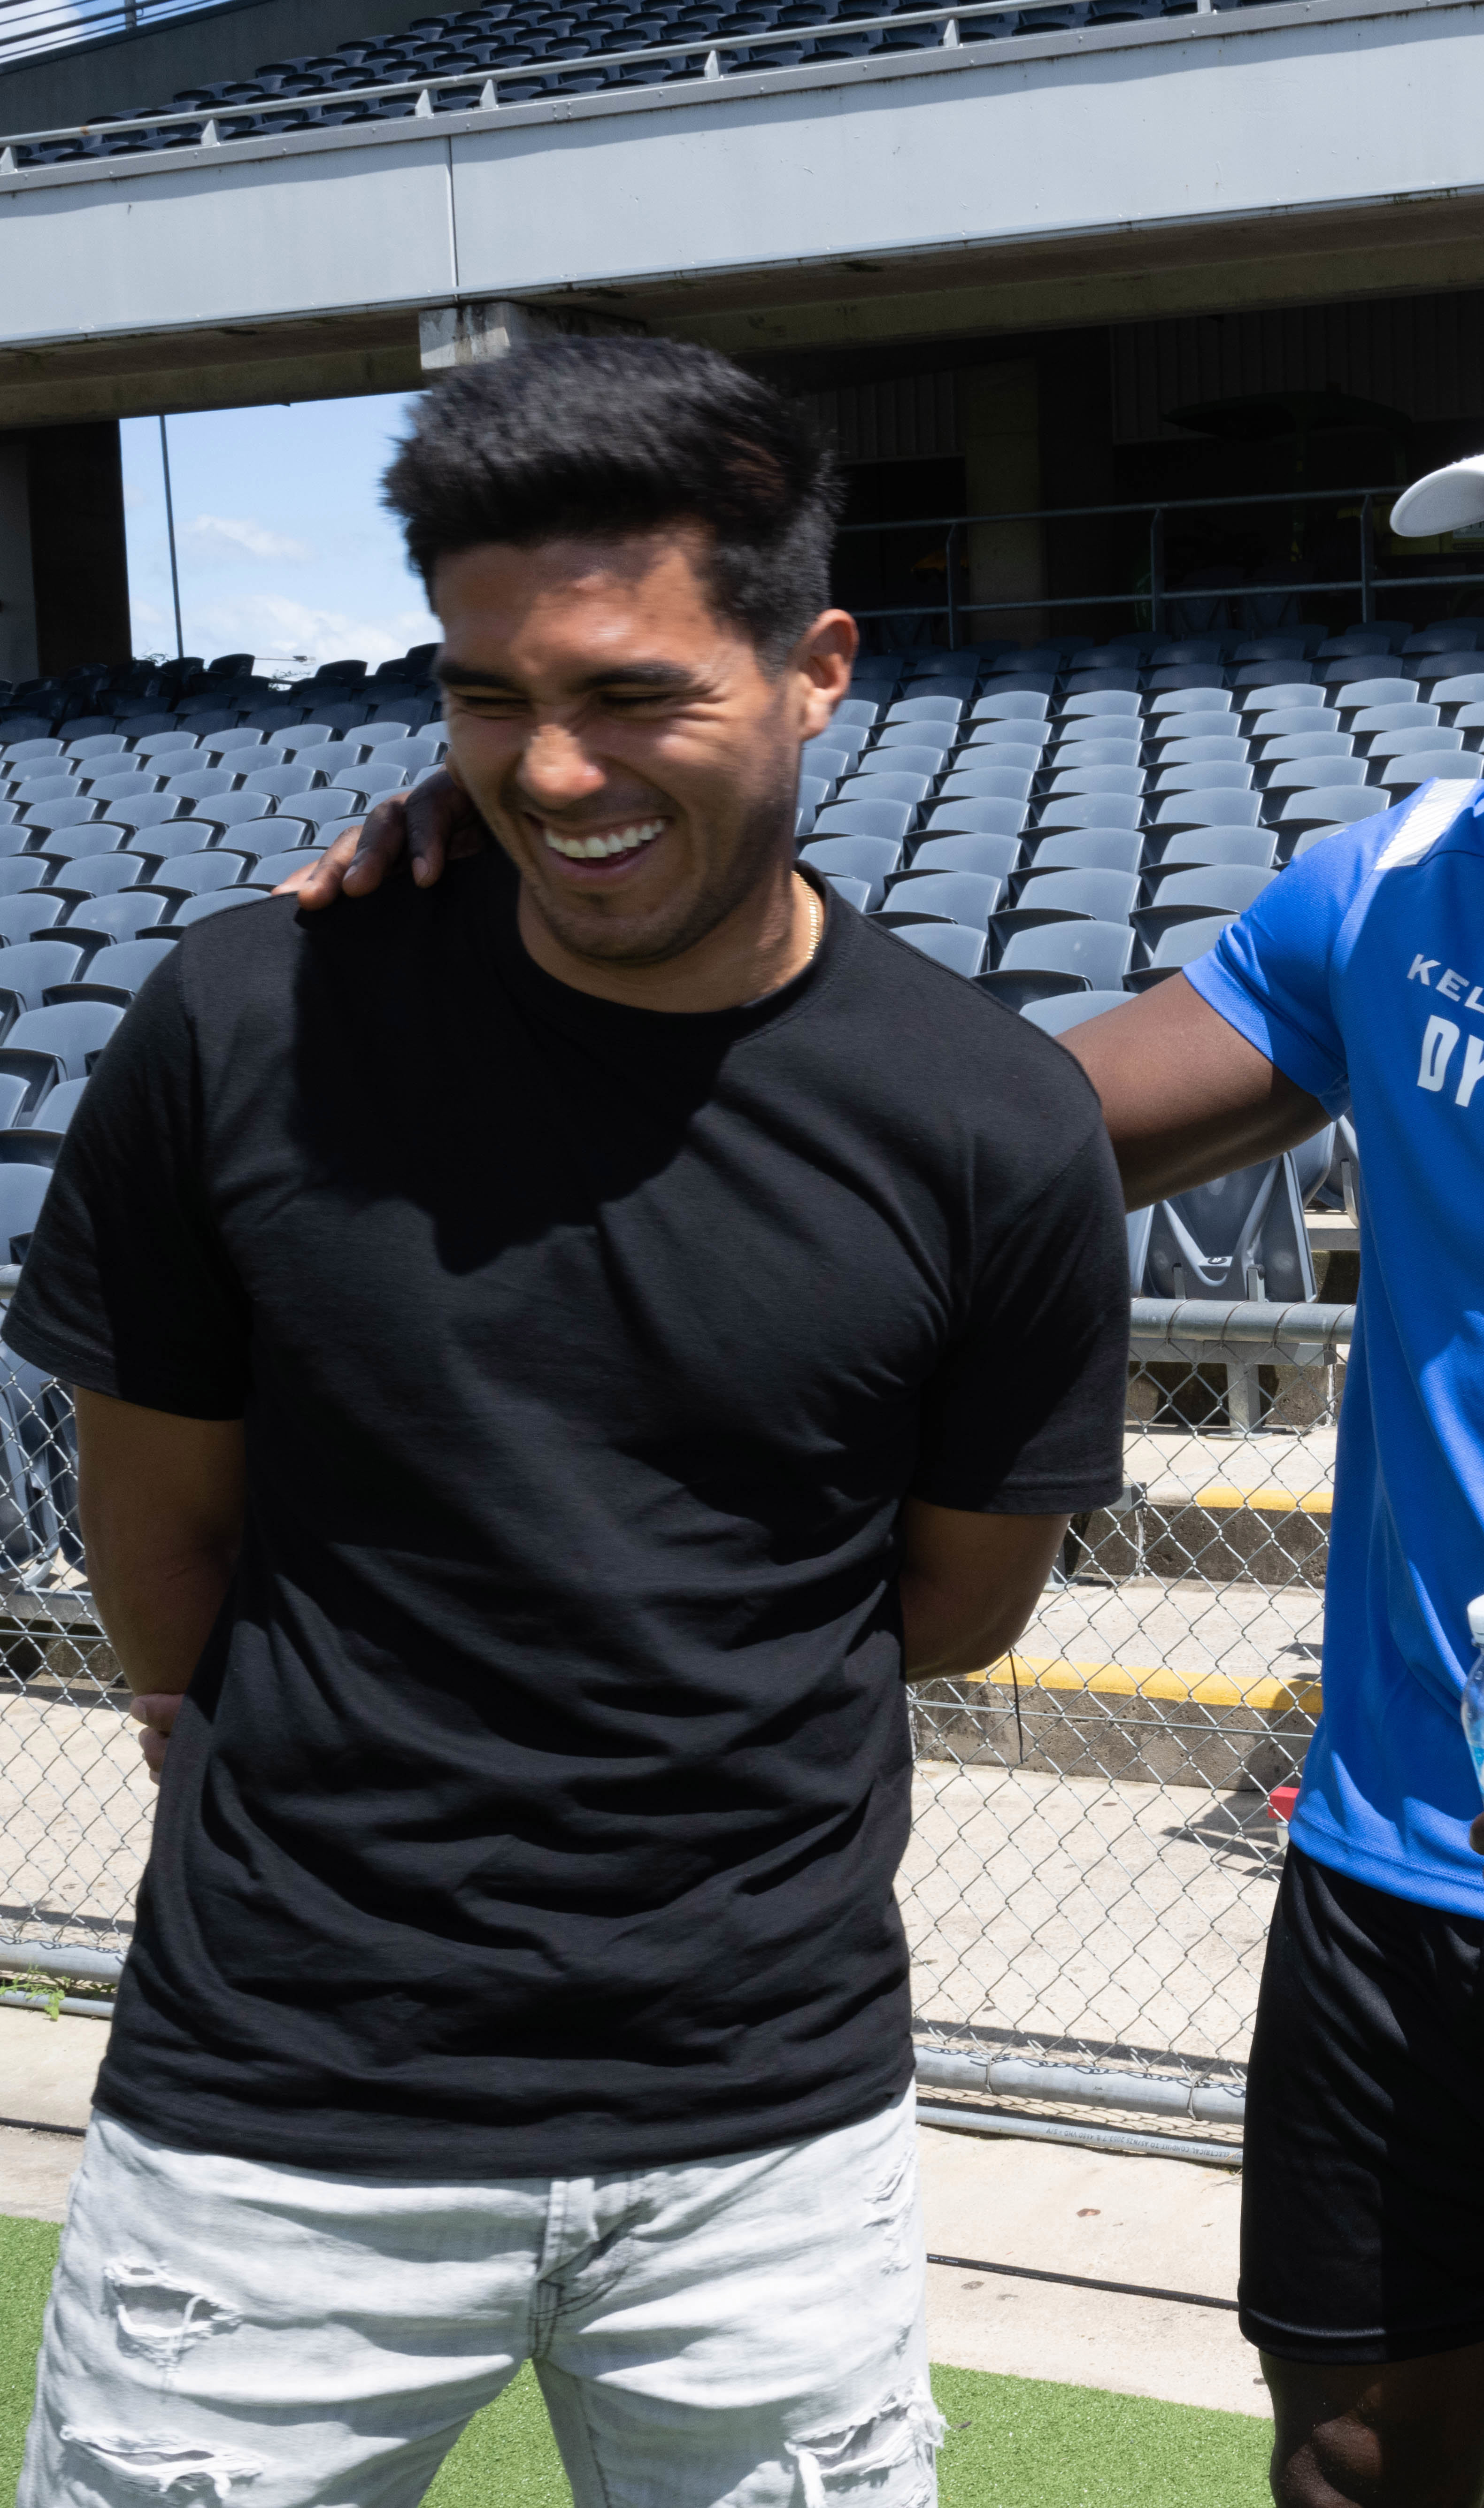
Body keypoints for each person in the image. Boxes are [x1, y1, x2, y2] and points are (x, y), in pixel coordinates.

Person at [295, 314, 1484, 2508]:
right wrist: (596, 863)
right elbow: (1008, 1139)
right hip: (1385, 1874)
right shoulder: (1413, 894)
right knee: (1344, 2467)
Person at [18, 339, 1132, 2508]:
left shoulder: (990, 1122)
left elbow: (957, 1604)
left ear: (815, 667)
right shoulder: (250, 1023)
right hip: (276, 2113)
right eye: (485, 697)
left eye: (631, 695)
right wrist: (218, 1703)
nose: (550, 769)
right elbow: (154, 1527)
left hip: (764, 2137)